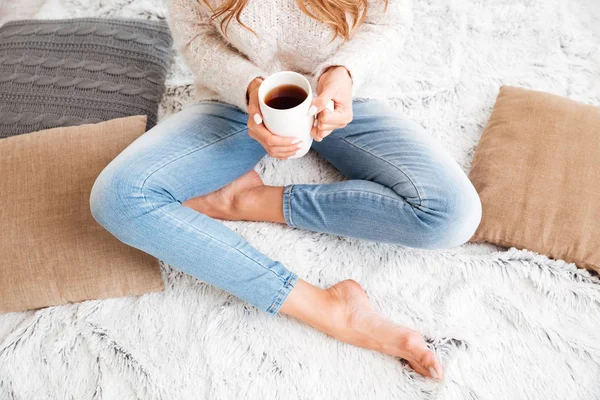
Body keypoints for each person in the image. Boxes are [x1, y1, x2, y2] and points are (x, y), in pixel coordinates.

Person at [90, 0, 482, 380]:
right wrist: (250, 90)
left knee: (452, 215)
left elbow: (388, 20)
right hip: (240, 105)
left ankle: (249, 201)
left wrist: (344, 72)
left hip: (347, 100)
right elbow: (195, 38)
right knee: (118, 196)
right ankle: (328, 310)